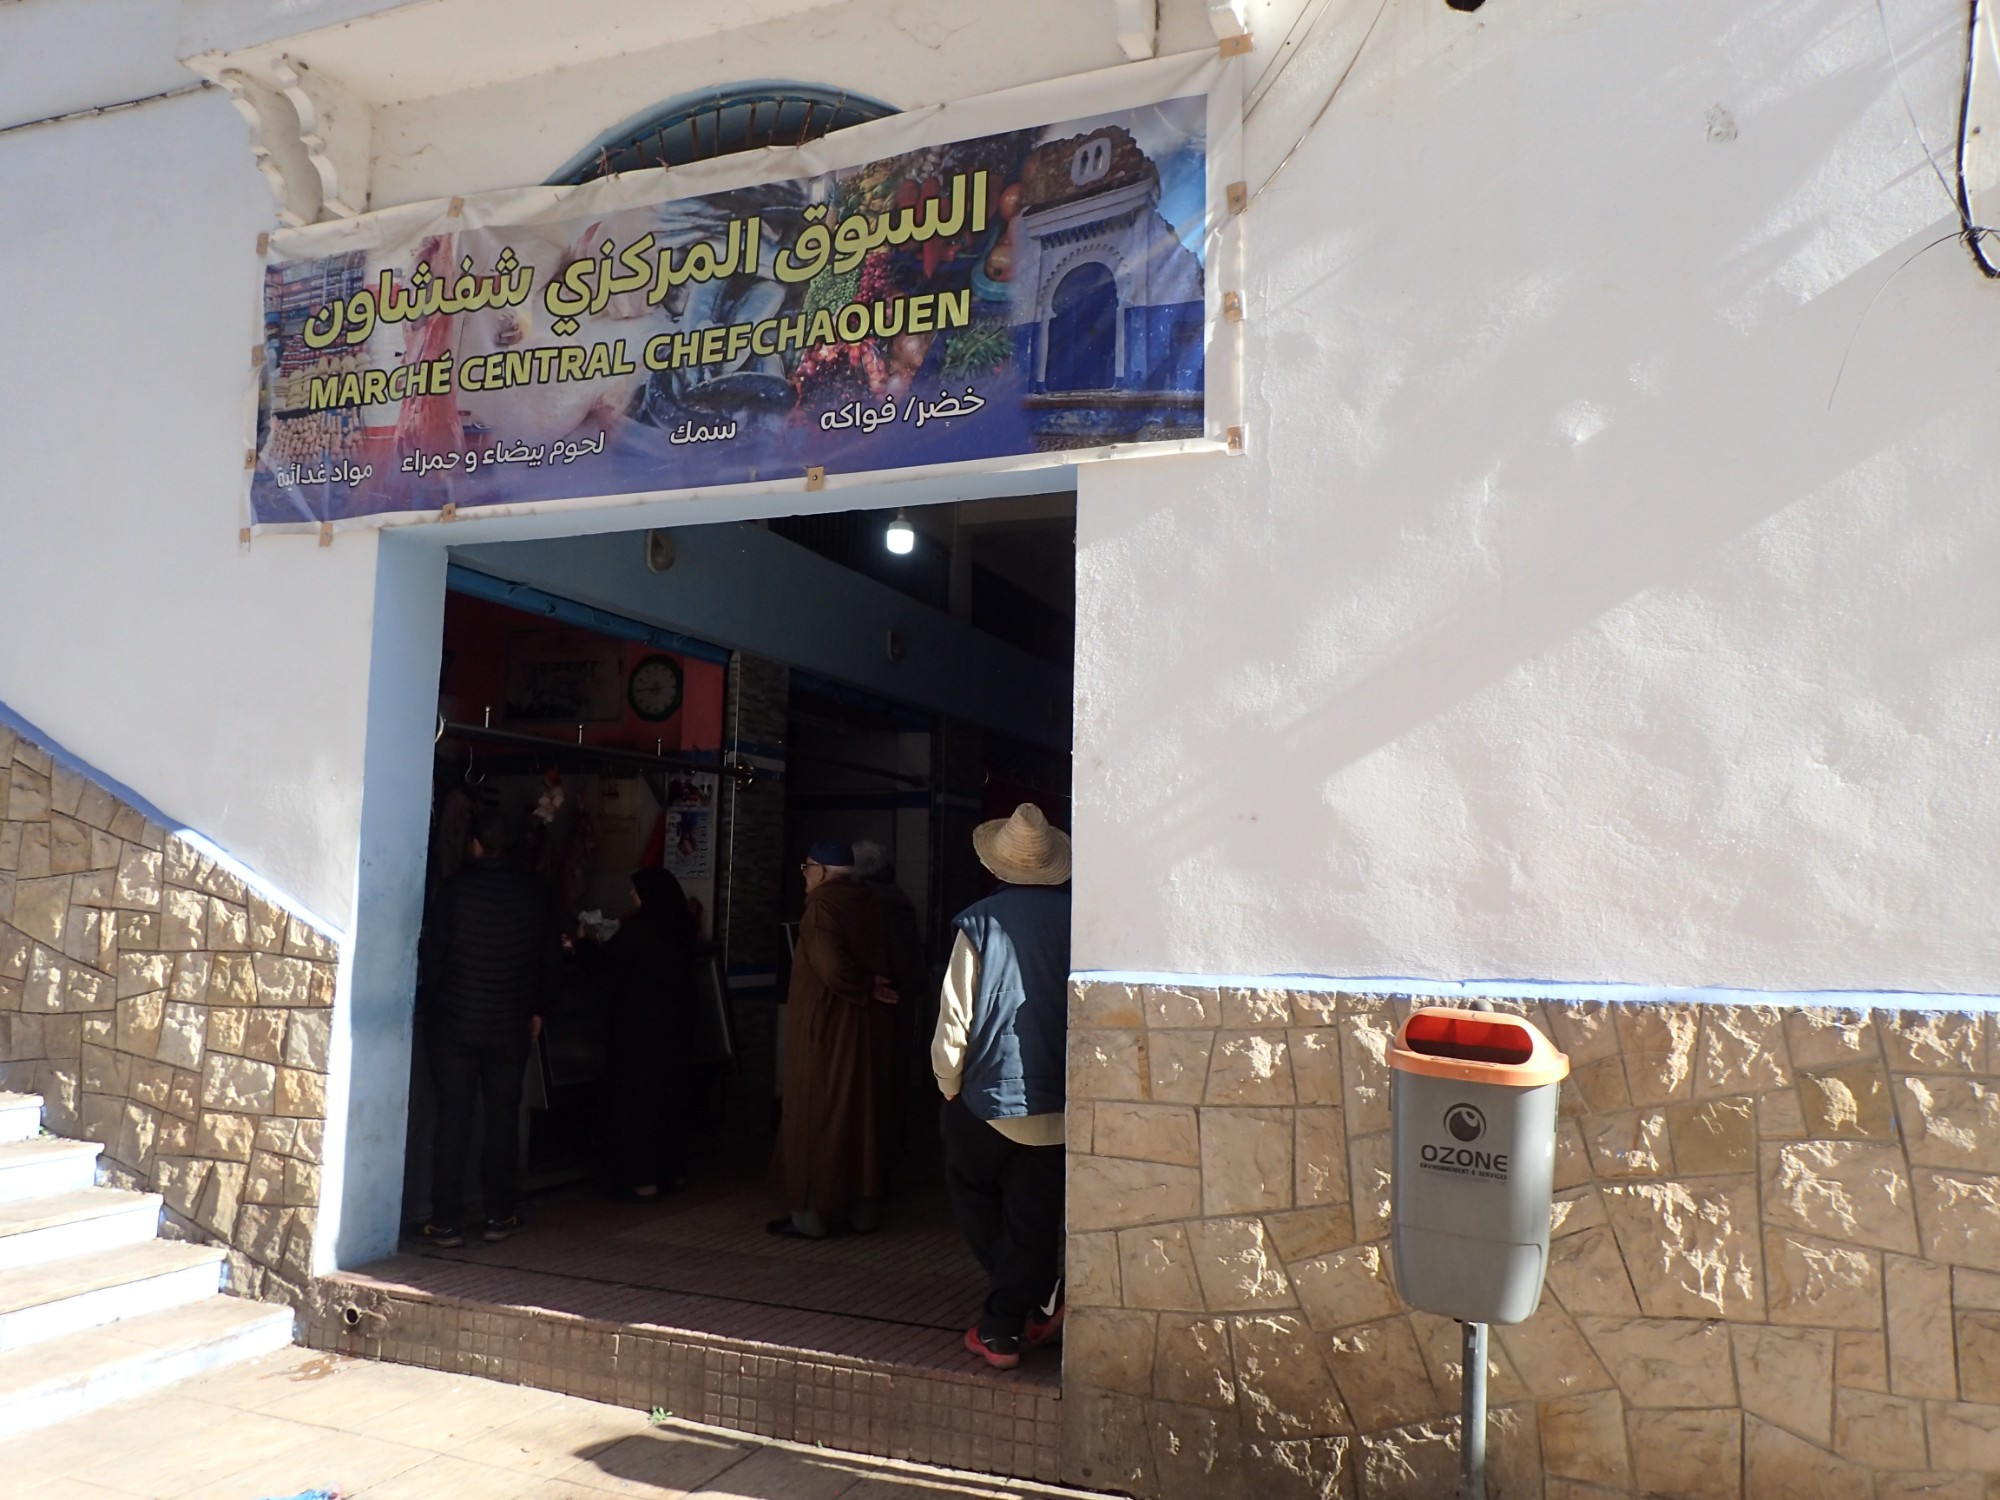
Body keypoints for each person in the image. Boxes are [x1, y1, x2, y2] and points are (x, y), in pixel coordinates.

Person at [933, 803, 1072, 1370]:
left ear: (997, 865)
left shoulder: (980, 923)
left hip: (987, 1093)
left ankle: (1003, 1325)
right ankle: (1032, 1302)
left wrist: (947, 1081)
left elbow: (954, 1015)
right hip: (1061, 1095)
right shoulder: (1081, 923)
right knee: (1034, 1215)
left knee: (974, 1194)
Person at [416, 807, 563, 1248]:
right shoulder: (536, 893)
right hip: (511, 1025)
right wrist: (538, 1011)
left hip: (456, 1026)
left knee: (454, 1118)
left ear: (476, 844)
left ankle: (446, 1222)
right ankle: (500, 1215)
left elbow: (435, 958)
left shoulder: (455, 891)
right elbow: (549, 962)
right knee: (502, 1119)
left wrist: (435, 1005)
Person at [769, 838, 902, 1238]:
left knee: (816, 1113)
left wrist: (860, 985)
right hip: (867, 1028)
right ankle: (863, 1211)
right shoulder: (871, 902)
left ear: (821, 871)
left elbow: (830, 967)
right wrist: (871, 988)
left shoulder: (822, 906)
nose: (804, 879)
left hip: (826, 1030)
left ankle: (812, 1217)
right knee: (862, 1116)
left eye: (806, 869)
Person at [573, 867, 699, 1200]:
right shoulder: (684, 926)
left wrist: (582, 943)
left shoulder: (644, 928)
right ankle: (671, 1172)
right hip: (678, 1030)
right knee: (669, 1101)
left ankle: (643, 1179)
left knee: (639, 1105)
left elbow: (608, 962)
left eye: (636, 890)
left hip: (640, 1033)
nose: (631, 895)